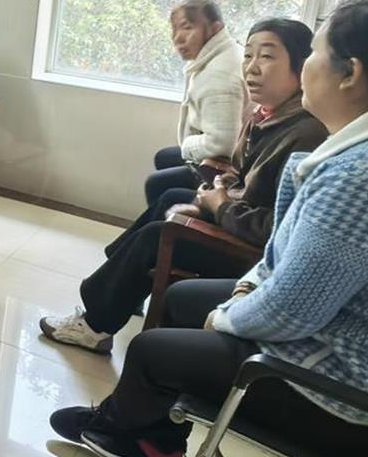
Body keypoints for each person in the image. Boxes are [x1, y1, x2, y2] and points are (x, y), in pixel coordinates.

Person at [48, 0, 368, 457]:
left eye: (314, 54)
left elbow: (290, 312)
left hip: (358, 405)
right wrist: (245, 290)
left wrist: (226, 316)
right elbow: (288, 253)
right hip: (351, 346)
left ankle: (132, 437)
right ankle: (153, 435)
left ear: (350, 73)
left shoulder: (363, 178)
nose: (305, 69)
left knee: (151, 351)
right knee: (179, 298)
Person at [39, 19, 326, 353]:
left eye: (267, 56)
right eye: (248, 55)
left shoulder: (305, 134)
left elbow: (277, 228)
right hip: (236, 216)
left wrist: (220, 206)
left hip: (252, 253)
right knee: (171, 197)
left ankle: (95, 325)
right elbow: (236, 171)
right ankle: (122, 284)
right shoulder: (267, 114)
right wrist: (212, 195)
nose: (252, 68)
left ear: (301, 66)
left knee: (157, 234)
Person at [145, 0, 247, 207]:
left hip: (228, 169)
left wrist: (187, 144)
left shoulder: (219, 74)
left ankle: (164, 225)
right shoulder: (225, 51)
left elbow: (222, 144)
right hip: (231, 157)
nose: (178, 38)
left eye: (187, 28)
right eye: (175, 29)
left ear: (215, 28)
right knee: (164, 157)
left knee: (157, 184)